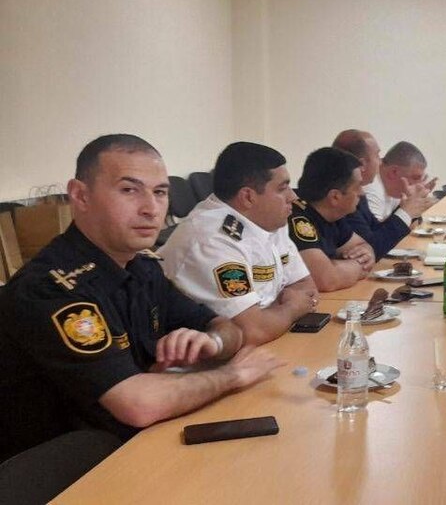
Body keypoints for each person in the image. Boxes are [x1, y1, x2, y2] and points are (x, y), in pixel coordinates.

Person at [0, 135, 283, 462]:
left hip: (134, 444)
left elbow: (228, 327)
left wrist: (212, 343)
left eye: (160, 192)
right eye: (129, 190)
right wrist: (233, 375)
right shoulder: (51, 289)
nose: (151, 209)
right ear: (80, 195)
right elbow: (138, 404)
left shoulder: (141, 267)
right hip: (66, 468)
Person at [159, 142, 318, 346]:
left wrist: (272, 316)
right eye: (282, 188)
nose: (293, 197)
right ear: (248, 197)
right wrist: (292, 309)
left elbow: (307, 288)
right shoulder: (212, 239)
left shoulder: (270, 221)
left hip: (269, 344)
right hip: (200, 359)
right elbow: (253, 331)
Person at [332, 130, 436, 258]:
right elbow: (371, 248)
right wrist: (406, 212)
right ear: (362, 164)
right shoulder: (350, 194)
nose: (381, 162)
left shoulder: (357, 191)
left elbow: (375, 232)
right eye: (377, 155)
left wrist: (409, 208)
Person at [287, 147, 375, 292]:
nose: (362, 193)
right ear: (335, 197)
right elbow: (326, 280)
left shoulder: (331, 213)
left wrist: (367, 253)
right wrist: (359, 265)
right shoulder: (297, 218)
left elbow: (361, 245)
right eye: (357, 187)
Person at [364, 140, 439, 223]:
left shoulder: (394, 186)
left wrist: (416, 203)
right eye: (415, 178)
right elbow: (376, 232)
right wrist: (407, 211)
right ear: (394, 172)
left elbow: (409, 226)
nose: (419, 185)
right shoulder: (370, 191)